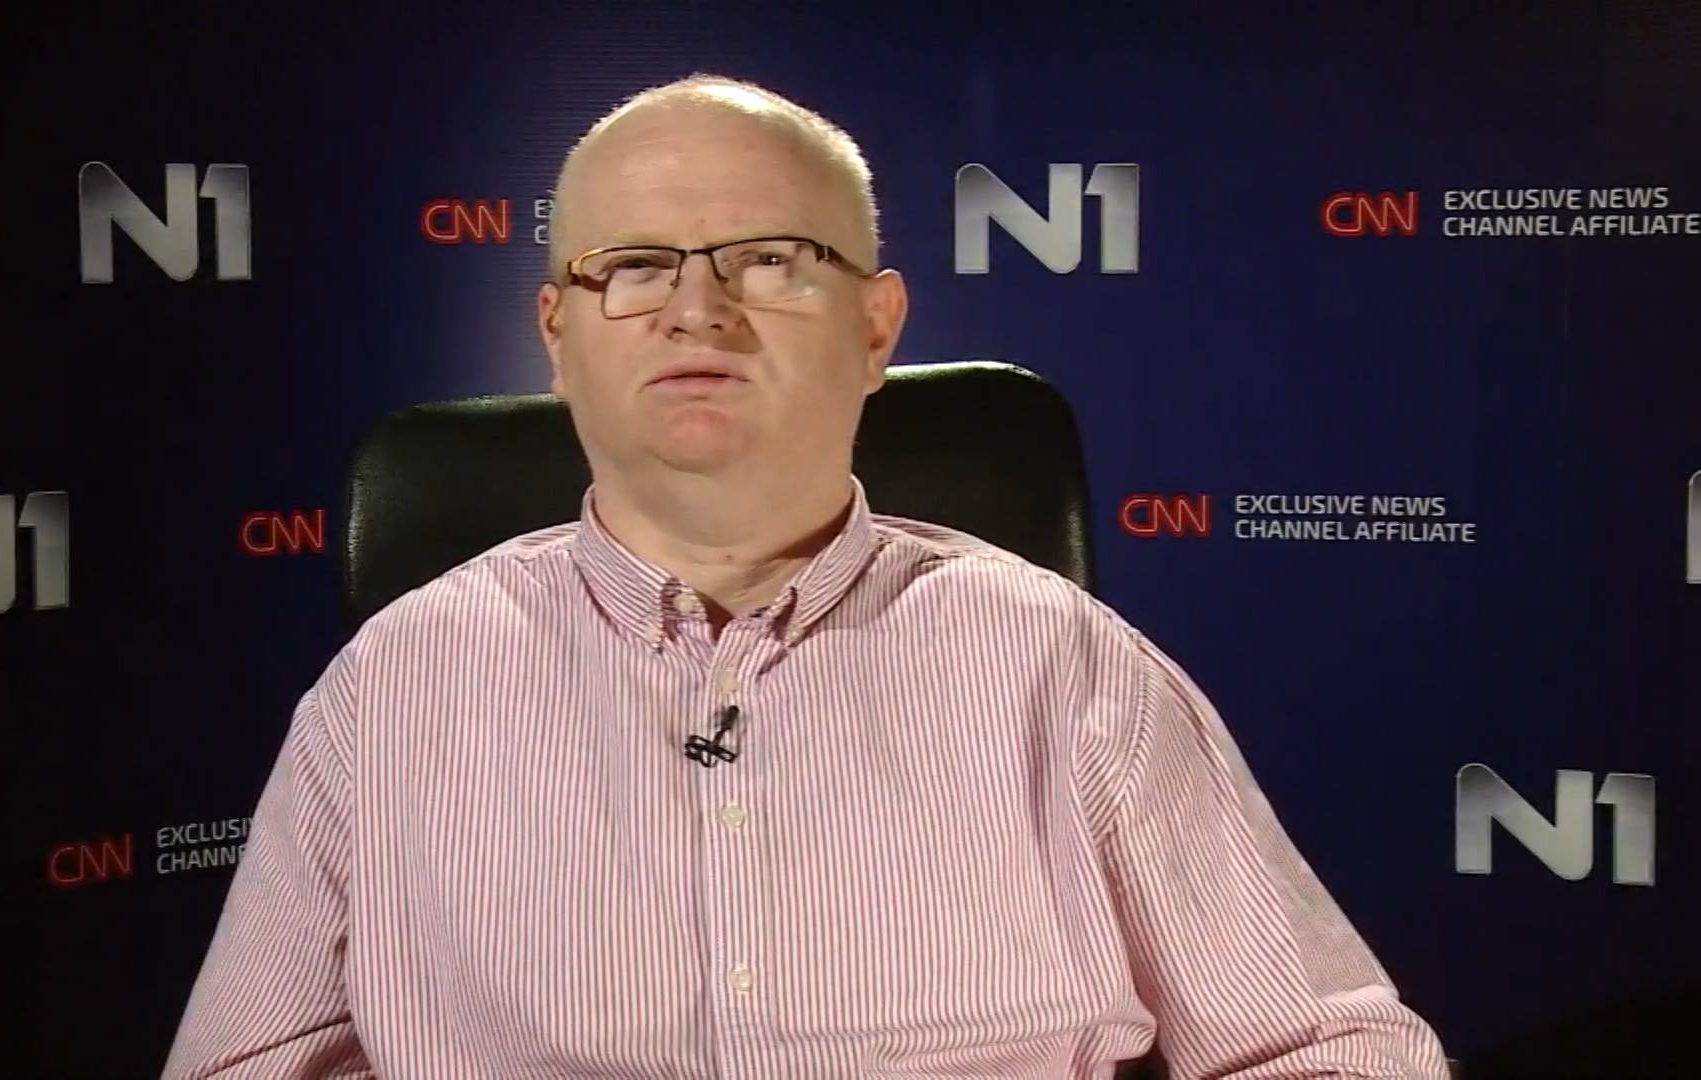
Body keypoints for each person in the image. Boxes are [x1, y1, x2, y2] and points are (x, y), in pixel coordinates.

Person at [163, 74, 1452, 1079]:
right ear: (558, 334)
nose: (697, 310)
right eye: (633, 267)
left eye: (770, 259)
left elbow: (1329, 1051)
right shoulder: (392, 687)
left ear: (876, 327)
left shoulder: (1064, 667)